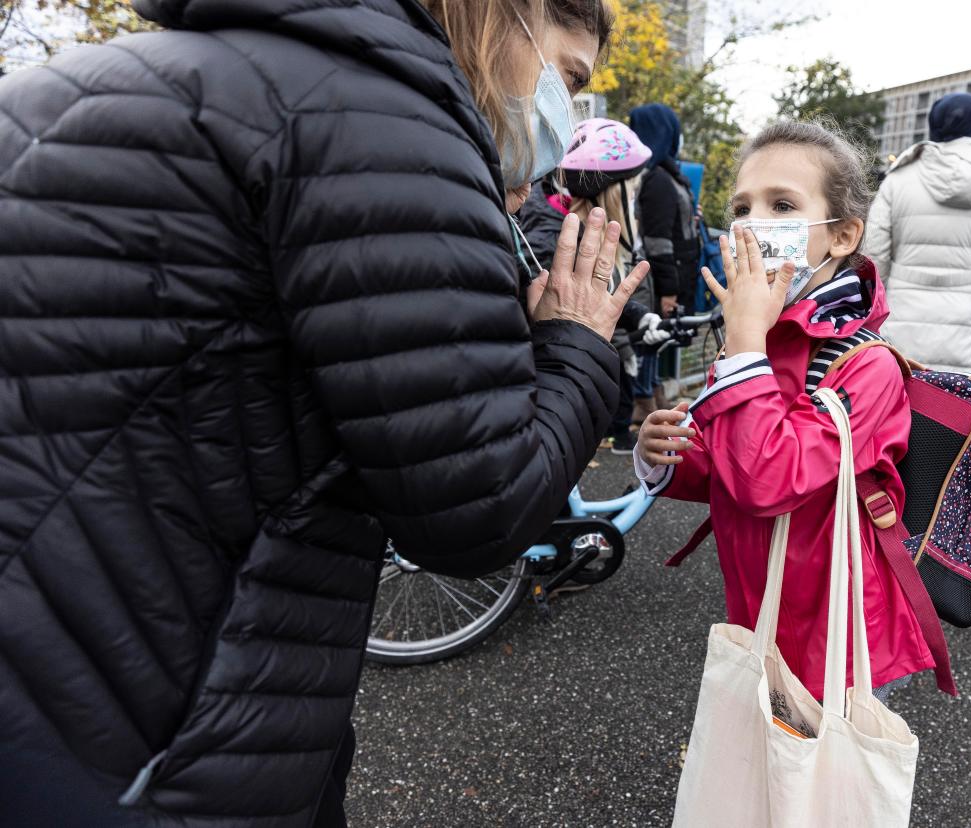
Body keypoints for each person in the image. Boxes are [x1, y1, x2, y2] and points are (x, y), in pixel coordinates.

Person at [0, 1, 649, 826]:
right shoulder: (384, 122)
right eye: (567, 77)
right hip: (164, 732)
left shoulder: (121, 76)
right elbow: (478, 503)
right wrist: (577, 344)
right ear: (504, 16)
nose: (564, 113)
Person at [634, 120, 941, 704]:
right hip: (758, 600)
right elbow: (728, 467)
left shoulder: (864, 366)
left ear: (843, 235)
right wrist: (668, 457)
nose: (754, 225)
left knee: (813, 778)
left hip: (832, 629)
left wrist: (744, 340)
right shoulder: (758, 339)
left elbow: (766, 480)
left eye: (783, 205)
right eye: (742, 208)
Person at [518, 118, 669, 454]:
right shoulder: (553, 241)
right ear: (614, 193)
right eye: (632, 191)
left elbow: (589, 294)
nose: (635, 202)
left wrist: (641, 316)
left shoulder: (573, 228)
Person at [865, 92, 971, 374]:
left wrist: (884, 292)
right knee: (952, 400)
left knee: (896, 384)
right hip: (963, 310)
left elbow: (875, 247)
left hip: (903, 305)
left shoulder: (900, 176)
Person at [629, 103, 702, 419]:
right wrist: (668, 290)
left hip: (675, 273)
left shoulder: (666, 174)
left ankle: (653, 397)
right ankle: (644, 405)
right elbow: (658, 242)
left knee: (658, 342)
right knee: (650, 339)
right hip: (662, 280)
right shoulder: (658, 178)